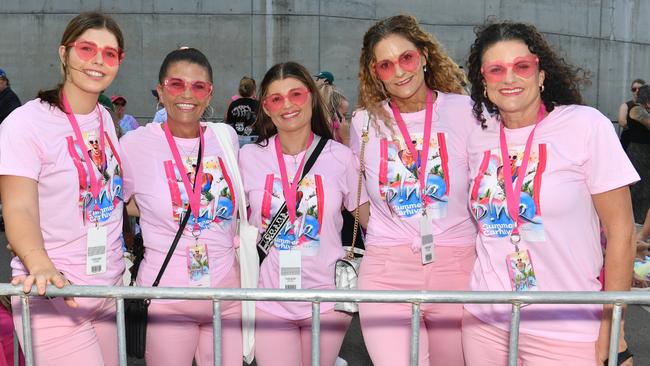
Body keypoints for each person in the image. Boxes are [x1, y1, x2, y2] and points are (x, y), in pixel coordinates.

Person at [463, 21, 637, 366]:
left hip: (567, 327)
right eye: (496, 70)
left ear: (541, 74)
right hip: (485, 321)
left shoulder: (586, 126)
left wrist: (612, 326)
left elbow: (623, 233)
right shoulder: (478, 136)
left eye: (522, 66)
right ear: (484, 83)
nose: (509, 78)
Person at [350, 14, 476, 366]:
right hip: (386, 272)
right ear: (375, 72)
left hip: (457, 269)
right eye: (386, 65)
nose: (400, 71)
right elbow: (356, 191)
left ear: (423, 56)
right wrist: (387, 233)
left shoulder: (465, 111)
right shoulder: (365, 122)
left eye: (406, 58)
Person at [0, 12, 125, 365]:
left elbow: (103, 190)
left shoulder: (104, 117)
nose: (98, 60)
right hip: (55, 295)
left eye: (110, 53)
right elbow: (18, 207)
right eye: (86, 49)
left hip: (107, 292)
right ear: (64, 53)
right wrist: (38, 264)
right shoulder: (26, 123)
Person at [239, 61, 368, 366]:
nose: (287, 105)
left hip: (326, 301)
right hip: (269, 300)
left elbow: (372, 220)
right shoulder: (249, 157)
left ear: (311, 96)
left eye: (296, 94)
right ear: (266, 108)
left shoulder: (340, 158)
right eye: (276, 98)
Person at [120, 47, 243, 366]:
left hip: (226, 297)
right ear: (160, 90)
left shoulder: (225, 137)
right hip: (166, 300)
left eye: (198, 86)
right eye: (176, 84)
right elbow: (118, 204)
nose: (187, 94)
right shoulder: (134, 144)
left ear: (209, 93)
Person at [619, 78, 647, 150]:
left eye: (640, 89)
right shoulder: (625, 106)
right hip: (629, 141)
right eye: (634, 89)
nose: (637, 91)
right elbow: (622, 122)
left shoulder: (647, 105)